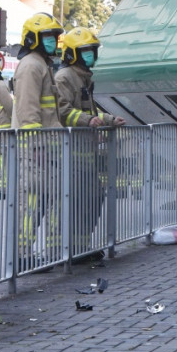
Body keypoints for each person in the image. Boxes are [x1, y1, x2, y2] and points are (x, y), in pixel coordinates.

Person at [55, 27, 125, 261]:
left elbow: (90, 110)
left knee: (92, 199)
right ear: (73, 53)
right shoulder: (65, 77)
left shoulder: (84, 77)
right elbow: (64, 112)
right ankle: (71, 251)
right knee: (78, 203)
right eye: (86, 51)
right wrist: (88, 121)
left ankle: (82, 248)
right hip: (72, 153)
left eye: (92, 50)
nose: (91, 55)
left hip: (86, 153)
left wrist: (108, 120)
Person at [12, 13, 64, 269]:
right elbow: (28, 111)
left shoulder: (42, 64)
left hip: (46, 149)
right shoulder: (32, 65)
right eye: (48, 36)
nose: (53, 41)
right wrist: (35, 147)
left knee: (43, 201)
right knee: (32, 203)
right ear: (33, 39)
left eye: (54, 36)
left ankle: (35, 253)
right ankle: (22, 256)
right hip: (36, 150)